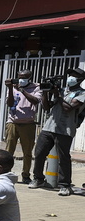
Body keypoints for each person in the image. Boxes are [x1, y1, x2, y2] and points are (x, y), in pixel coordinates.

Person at [30, 66, 85, 196]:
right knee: (39, 152)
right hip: (49, 127)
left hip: (65, 129)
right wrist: (45, 92)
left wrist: (57, 95)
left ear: (81, 79)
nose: (71, 78)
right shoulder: (62, 90)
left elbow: (68, 108)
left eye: (74, 76)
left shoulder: (82, 94)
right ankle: (38, 179)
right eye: (70, 75)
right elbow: (46, 107)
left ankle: (65, 185)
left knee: (63, 158)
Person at [4, 70, 42, 184]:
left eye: (24, 77)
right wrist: (10, 88)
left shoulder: (36, 87)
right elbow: (10, 104)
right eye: (20, 77)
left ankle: (26, 175)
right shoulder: (13, 87)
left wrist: (22, 90)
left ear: (29, 77)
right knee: (8, 150)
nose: (21, 79)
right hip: (13, 123)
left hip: (28, 124)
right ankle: (6, 174)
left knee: (27, 152)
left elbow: (35, 101)